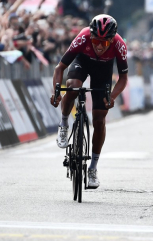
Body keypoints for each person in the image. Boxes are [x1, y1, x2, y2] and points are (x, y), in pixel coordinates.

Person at [50, 14, 128, 188]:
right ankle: (63, 124)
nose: (99, 46)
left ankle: (92, 168)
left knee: (100, 119)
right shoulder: (83, 36)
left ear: (112, 40)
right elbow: (60, 68)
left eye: (105, 43)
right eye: (96, 41)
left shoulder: (119, 44)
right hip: (82, 62)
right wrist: (56, 91)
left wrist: (112, 97)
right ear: (90, 37)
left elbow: (123, 78)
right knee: (73, 86)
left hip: (103, 71)